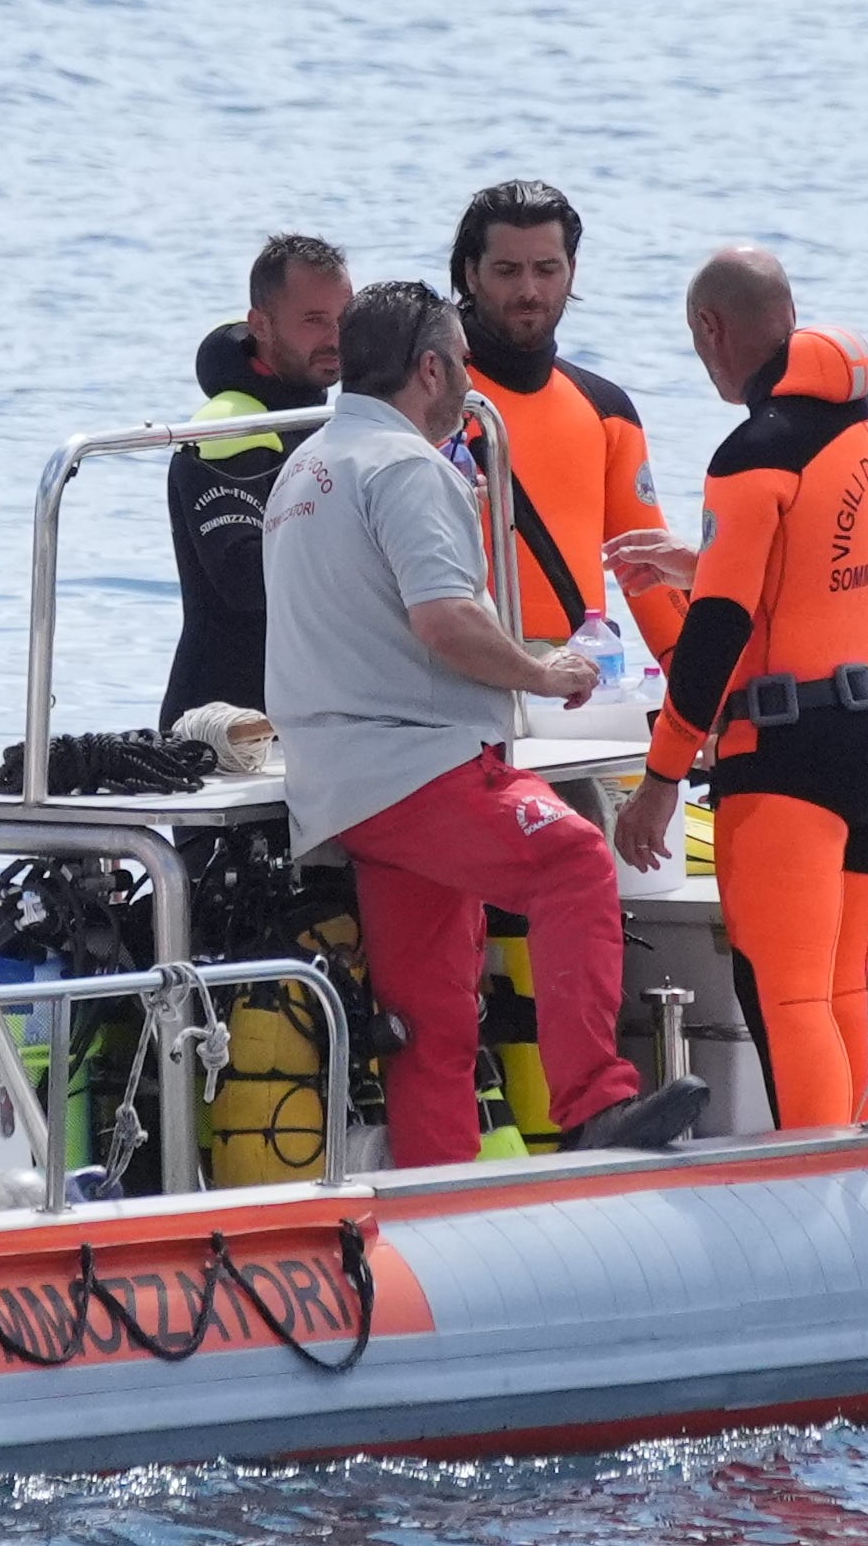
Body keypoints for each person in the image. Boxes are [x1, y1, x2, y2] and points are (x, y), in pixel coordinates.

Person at [260, 276, 709, 1166]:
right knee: (576, 859)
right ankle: (594, 1103)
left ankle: (441, 1192)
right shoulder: (407, 469)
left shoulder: (304, 467)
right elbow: (447, 621)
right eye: (463, 365)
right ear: (430, 368)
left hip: (339, 781)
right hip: (415, 768)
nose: (470, 385)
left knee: (431, 1014)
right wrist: (542, 671)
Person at [617, 249, 868, 1133]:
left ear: (711, 330)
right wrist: (698, 559)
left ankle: (821, 1193)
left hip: (791, 761)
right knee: (851, 988)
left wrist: (661, 778)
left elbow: (717, 635)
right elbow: (828, 581)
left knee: (788, 1000)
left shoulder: (754, 452)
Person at [450, 180, 692, 677]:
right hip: (456, 680)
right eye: (506, 270)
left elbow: (650, 579)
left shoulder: (606, 410)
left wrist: (705, 699)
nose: (528, 291)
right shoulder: (428, 397)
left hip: (577, 681)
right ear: (471, 275)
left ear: (572, 271)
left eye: (546, 269)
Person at [159, 234, 349, 727]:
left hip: (297, 706)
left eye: (343, 319)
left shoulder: (315, 418)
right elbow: (246, 583)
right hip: (223, 719)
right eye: (313, 320)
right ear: (260, 325)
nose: (335, 337)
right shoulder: (229, 428)